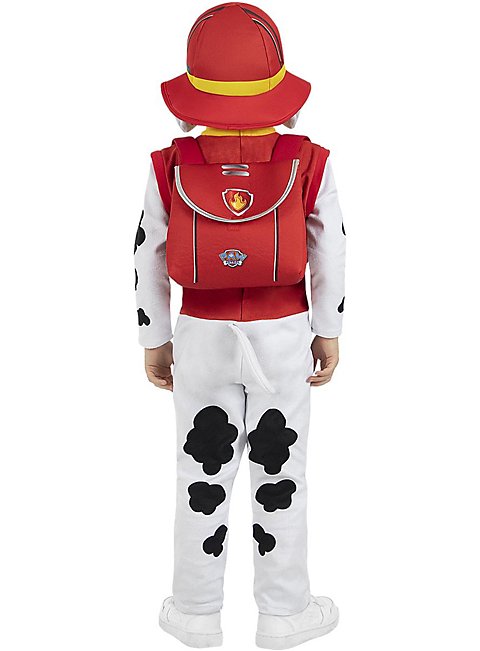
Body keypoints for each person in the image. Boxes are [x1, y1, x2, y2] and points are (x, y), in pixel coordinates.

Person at [134, 3, 346, 648]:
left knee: (201, 470)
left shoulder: (169, 163)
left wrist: (154, 337)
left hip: (200, 331)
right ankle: (284, 614)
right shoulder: (309, 160)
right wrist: (329, 329)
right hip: (284, 333)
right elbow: (330, 248)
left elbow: (147, 252)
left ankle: (195, 613)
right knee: (282, 472)